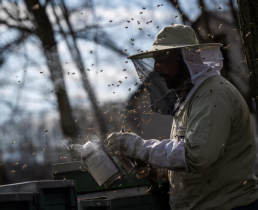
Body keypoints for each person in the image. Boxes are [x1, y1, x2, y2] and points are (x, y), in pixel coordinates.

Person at [107, 24, 258, 210]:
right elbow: (185, 158)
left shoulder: (213, 94)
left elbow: (196, 156)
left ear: (187, 58)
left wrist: (140, 148)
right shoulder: (191, 97)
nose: (157, 68)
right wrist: (156, 168)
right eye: (155, 60)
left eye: (162, 59)